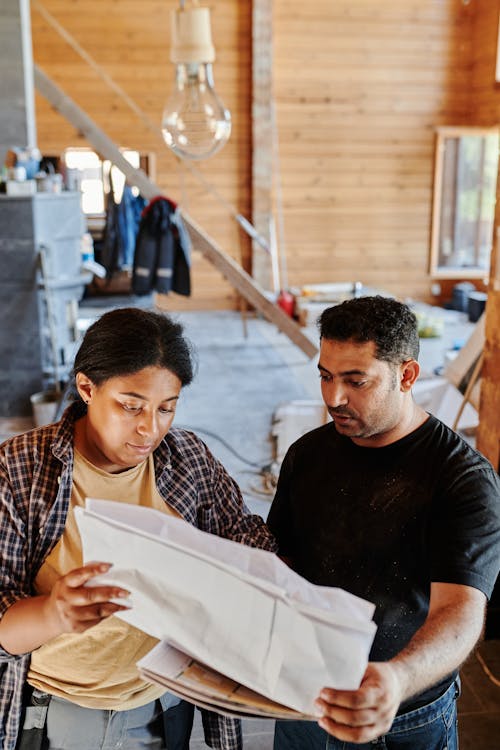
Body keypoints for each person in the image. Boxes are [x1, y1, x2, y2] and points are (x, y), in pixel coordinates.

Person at [0, 307, 276, 750]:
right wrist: (54, 612)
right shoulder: (20, 469)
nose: (150, 429)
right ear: (87, 387)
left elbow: (247, 537)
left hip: (163, 702)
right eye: (131, 407)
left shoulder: (187, 459)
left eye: (167, 408)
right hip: (60, 712)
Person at [267, 295, 500, 750]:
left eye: (356, 381)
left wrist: (397, 678)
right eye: (326, 376)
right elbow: (284, 562)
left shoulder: (462, 479)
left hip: (402, 713)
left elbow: (462, 610)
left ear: (407, 375)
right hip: (303, 698)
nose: (334, 397)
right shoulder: (307, 454)